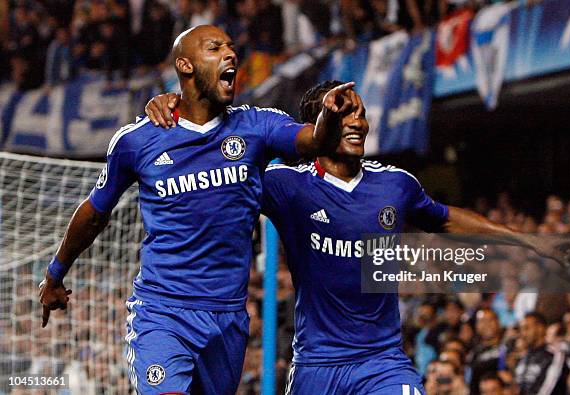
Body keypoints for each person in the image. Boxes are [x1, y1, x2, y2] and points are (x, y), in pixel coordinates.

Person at [146, 80, 570, 394]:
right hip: (317, 366)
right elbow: (213, 168)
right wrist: (178, 108)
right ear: (318, 126)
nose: (357, 120)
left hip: (382, 362)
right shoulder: (285, 185)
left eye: (360, 111)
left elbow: (446, 219)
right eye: (343, 111)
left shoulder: (395, 184)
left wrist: (531, 241)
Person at [38, 26, 360, 395]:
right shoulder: (138, 141)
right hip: (162, 311)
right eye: (215, 48)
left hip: (228, 318)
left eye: (231, 47)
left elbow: (312, 140)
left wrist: (330, 118)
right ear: (185, 65)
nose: (230, 54)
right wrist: (54, 274)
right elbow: (95, 212)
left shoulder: (257, 126)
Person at [514, 312, 568, 395]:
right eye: (521, 329)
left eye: (527, 328)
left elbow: (548, 388)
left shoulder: (554, 355)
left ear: (540, 329)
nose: (523, 334)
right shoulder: (523, 358)